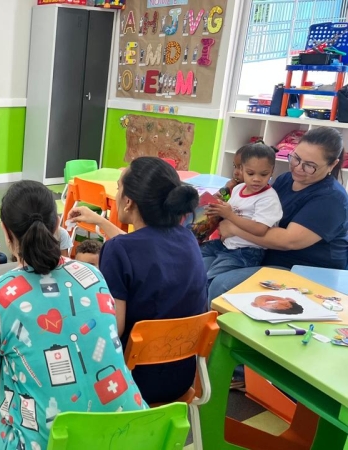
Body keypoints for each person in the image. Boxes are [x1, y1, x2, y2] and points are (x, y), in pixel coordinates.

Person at [0, 181, 145, 450]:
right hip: (130, 436)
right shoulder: (93, 275)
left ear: (6, 232)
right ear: (56, 227)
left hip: (49, 443)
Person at [69, 157, 207, 404]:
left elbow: (113, 329)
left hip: (131, 382)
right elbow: (143, 248)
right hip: (181, 378)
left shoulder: (118, 251)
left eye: (119, 187)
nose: (118, 192)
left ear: (129, 201)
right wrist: (101, 221)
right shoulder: (187, 240)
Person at [210, 127, 348, 300]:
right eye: (296, 158)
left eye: (310, 166)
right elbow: (258, 212)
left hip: (303, 271)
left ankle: (210, 325)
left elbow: (288, 241)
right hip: (263, 253)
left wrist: (233, 228)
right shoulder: (285, 179)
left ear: (333, 164)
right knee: (197, 265)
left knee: (221, 284)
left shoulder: (331, 199)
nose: (298, 168)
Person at [202, 143, 283, 281]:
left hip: (246, 252)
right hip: (226, 244)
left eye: (263, 174)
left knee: (211, 279)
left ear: (272, 171)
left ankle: (201, 302)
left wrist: (229, 215)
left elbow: (260, 229)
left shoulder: (269, 198)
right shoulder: (239, 188)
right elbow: (231, 208)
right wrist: (219, 207)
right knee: (190, 255)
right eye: (250, 173)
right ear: (241, 169)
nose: (256, 179)